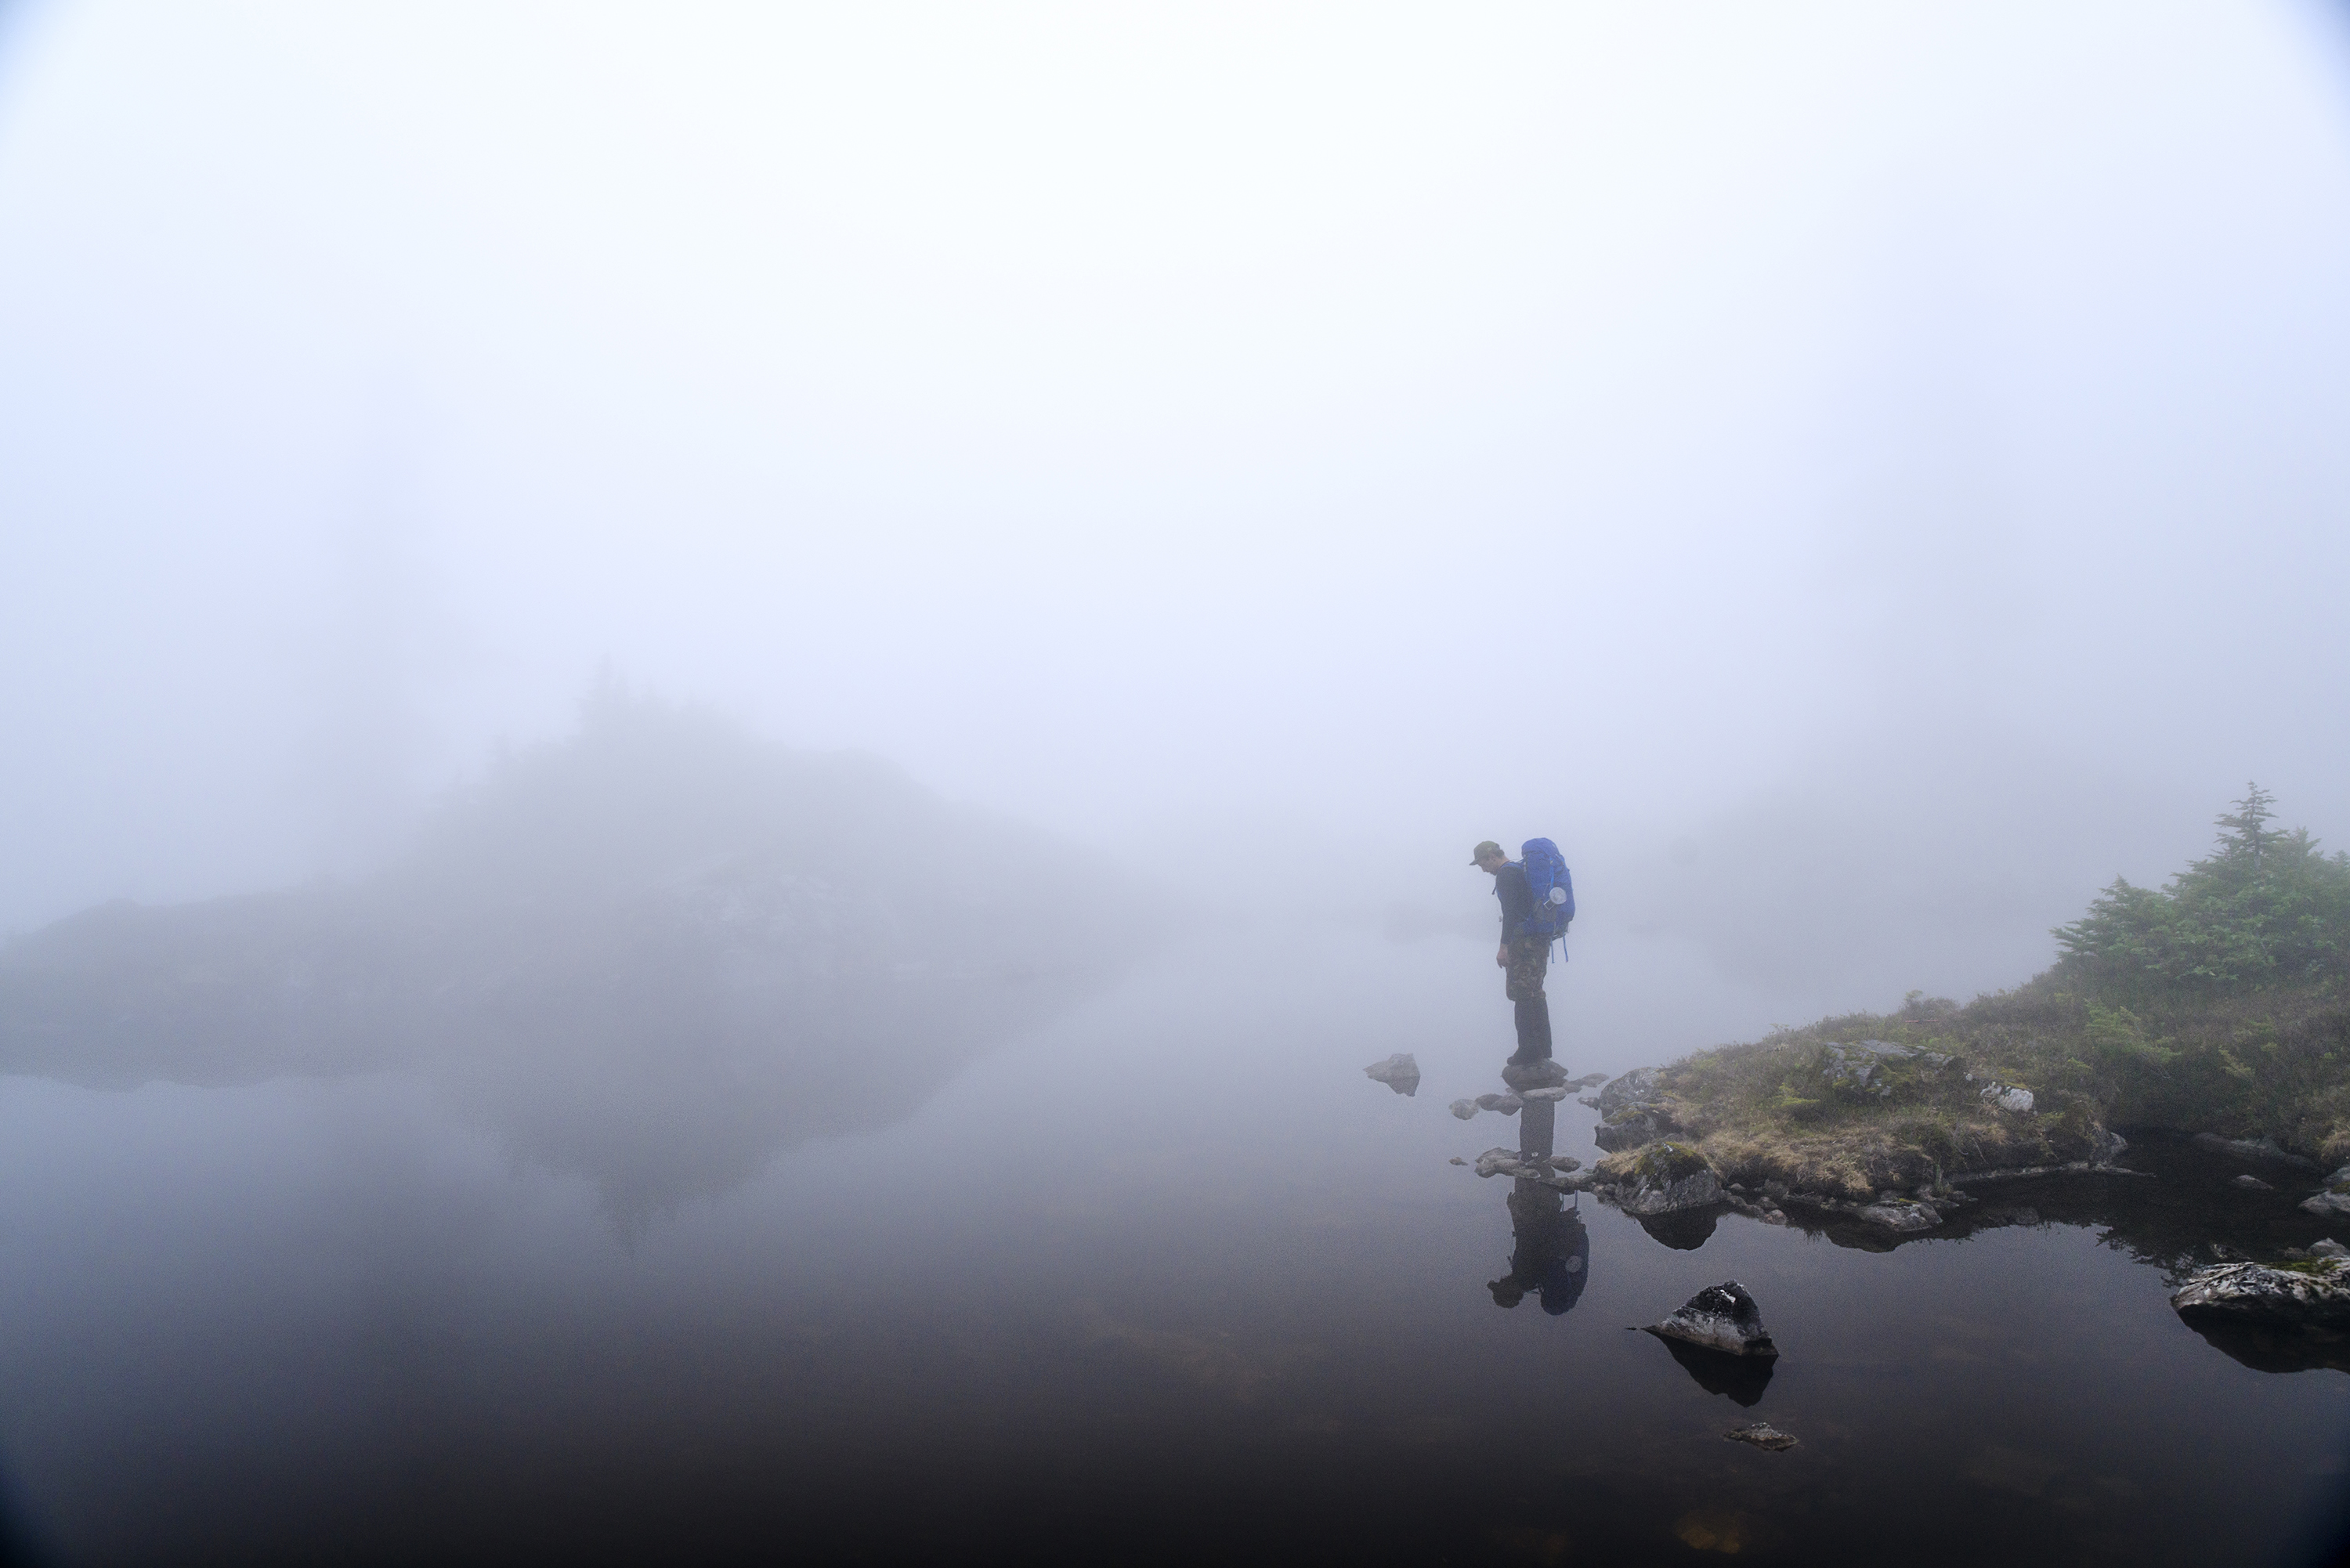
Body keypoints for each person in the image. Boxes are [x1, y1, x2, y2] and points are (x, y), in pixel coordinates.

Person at [1472, 840, 1553, 1065]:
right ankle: (1543, 1048)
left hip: (1524, 943)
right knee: (1535, 991)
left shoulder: (1506, 874)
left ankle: (1527, 1051)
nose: (1483, 869)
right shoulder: (1518, 870)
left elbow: (1510, 913)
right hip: (1539, 940)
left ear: (1492, 857)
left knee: (1521, 993)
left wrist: (1503, 947)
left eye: (1482, 864)